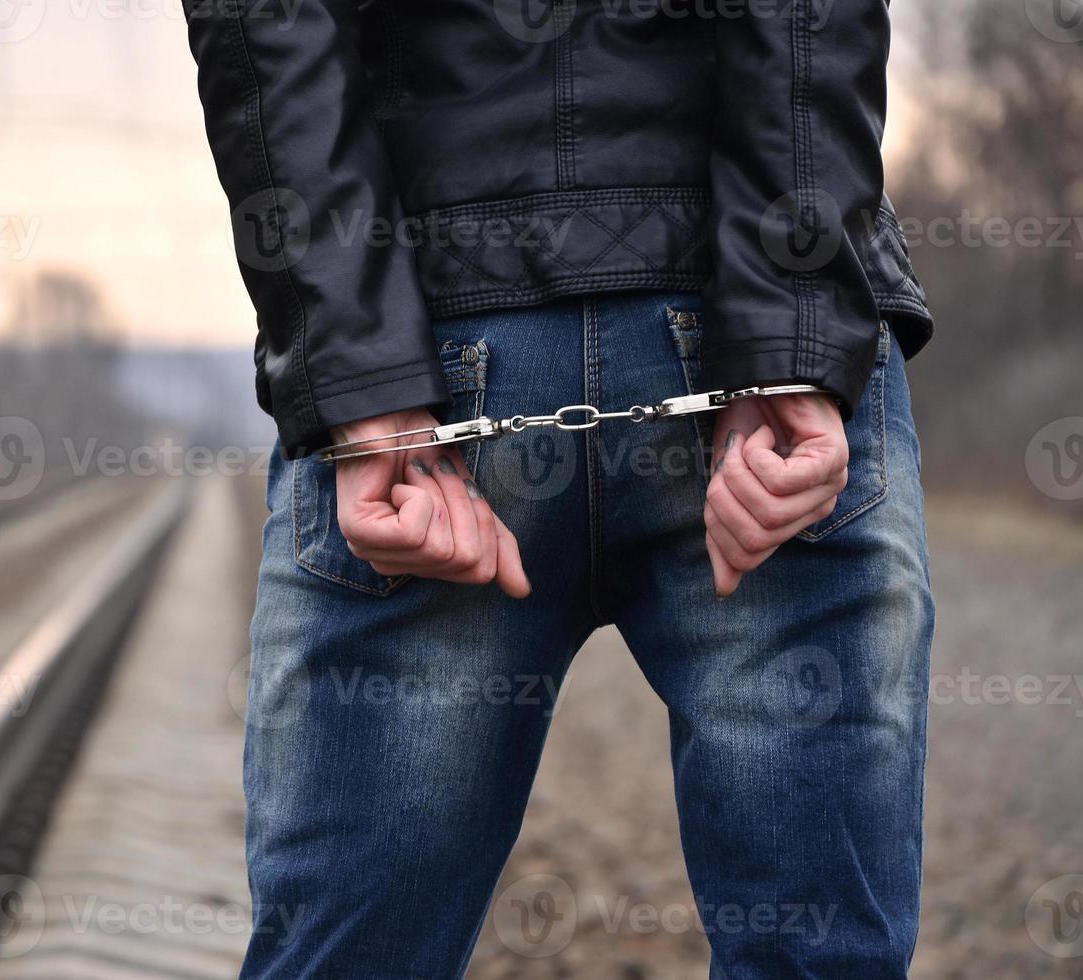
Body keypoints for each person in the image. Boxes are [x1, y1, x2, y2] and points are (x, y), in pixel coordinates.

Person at [183, 1, 935, 976]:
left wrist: (361, 374)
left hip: (435, 338)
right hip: (750, 337)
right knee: (817, 956)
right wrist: (791, 322)